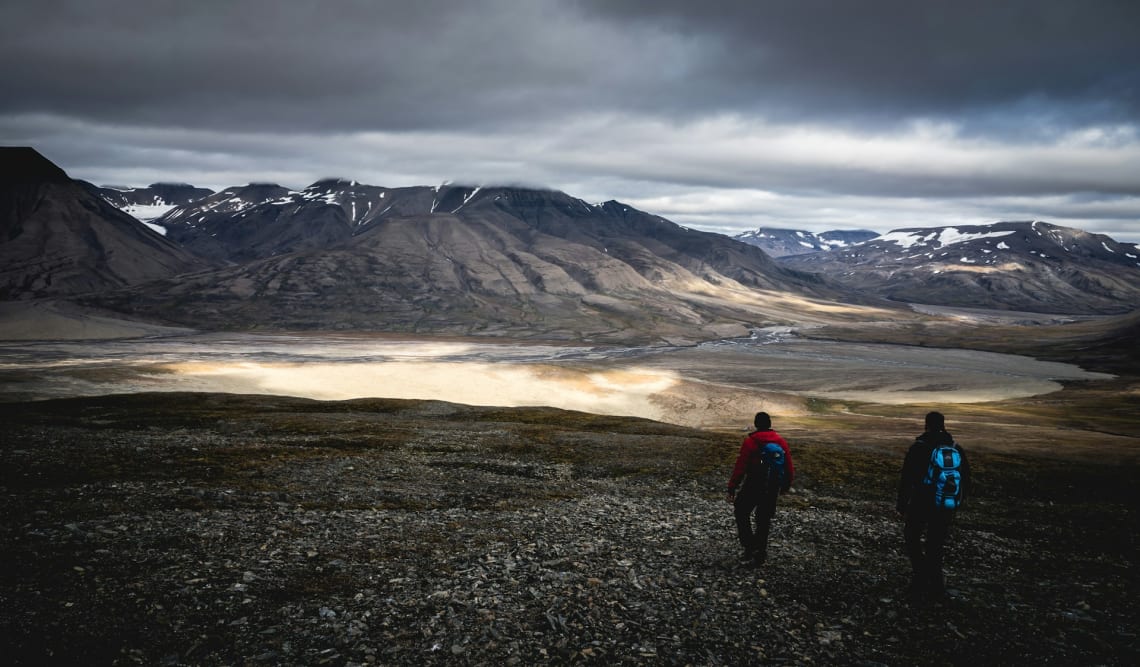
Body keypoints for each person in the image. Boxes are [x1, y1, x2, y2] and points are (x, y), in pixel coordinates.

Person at [896, 411, 971, 600]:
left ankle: (921, 577)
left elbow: (907, 478)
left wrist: (902, 504)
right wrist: (956, 502)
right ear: (944, 425)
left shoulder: (919, 447)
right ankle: (937, 585)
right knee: (935, 544)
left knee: (912, 537)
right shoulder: (955, 448)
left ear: (926, 424)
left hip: (921, 502)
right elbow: (966, 478)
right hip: (946, 504)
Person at [726, 411, 794, 566]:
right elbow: (788, 466)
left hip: (753, 483)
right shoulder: (780, 442)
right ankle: (760, 554)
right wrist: (785, 485)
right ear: (770, 424)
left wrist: (732, 487)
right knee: (763, 519)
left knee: (741, 511)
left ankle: (749, 546)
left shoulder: (751, 442)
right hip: (772, 486)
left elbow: (740, 467)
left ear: (756, 424)